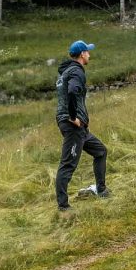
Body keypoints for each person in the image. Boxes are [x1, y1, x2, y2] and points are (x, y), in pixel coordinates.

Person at [54, 40, 109, 212]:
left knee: (100, 151)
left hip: (80, 128)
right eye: (88, 52)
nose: (89, 55)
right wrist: (73, 117)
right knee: (68, 164)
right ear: (82, 54)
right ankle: (63, 206)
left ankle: (101, 189)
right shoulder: (77, 71)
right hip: (73, 125)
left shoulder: (66, 72)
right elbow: (71, 92)